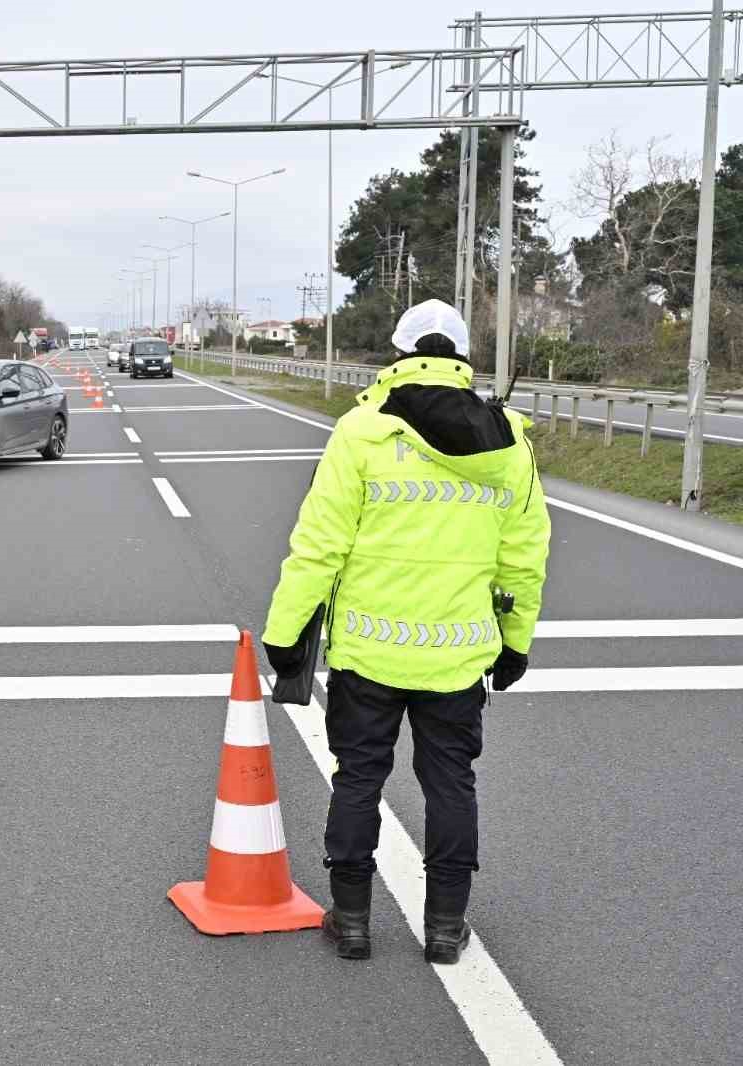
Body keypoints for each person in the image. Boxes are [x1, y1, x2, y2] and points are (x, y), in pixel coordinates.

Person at [262, 299, 550, 964]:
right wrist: (515, 641)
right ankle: (446, 929)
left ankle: (353, 921)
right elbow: (524, 559)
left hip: (368, 655)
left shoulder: (362, 432)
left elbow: (318, 546)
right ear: (463, 362)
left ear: (397, 356)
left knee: (359, 779)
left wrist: (286, 634)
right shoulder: (508, 443)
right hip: (456, 659)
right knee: (452, 783)